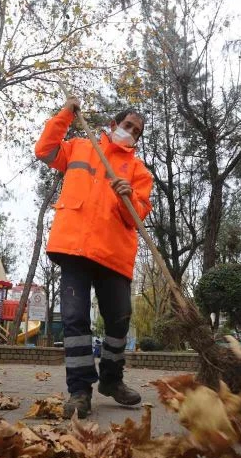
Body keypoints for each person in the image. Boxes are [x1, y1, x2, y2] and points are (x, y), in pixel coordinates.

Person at [35, 95, 153, 419]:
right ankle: (79, 391)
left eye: (137, 131)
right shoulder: (80, 147)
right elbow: (44, 150)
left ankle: (112, 380)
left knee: (119, 319)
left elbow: (136, 217)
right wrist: (65, 115)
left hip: (113, 253)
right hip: (74, 247)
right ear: (113, 125)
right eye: (127, 125)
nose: (130, 132)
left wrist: (128, 198)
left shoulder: (139, 172)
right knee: (74, 319)